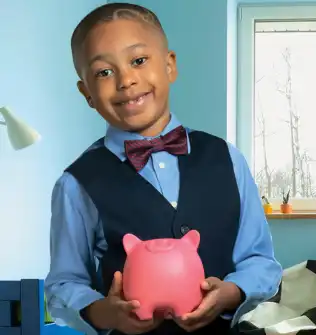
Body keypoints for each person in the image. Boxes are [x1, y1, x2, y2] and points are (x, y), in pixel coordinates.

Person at [44, 3, 282, 335]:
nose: (126, 80)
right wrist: (104, 312)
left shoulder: (227, 158)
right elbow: (62, 285)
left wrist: (231, 293)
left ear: (169, 66)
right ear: (87, 93)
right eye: (103, 72)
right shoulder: (75, 184)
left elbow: (262, 263)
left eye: (138, 61)